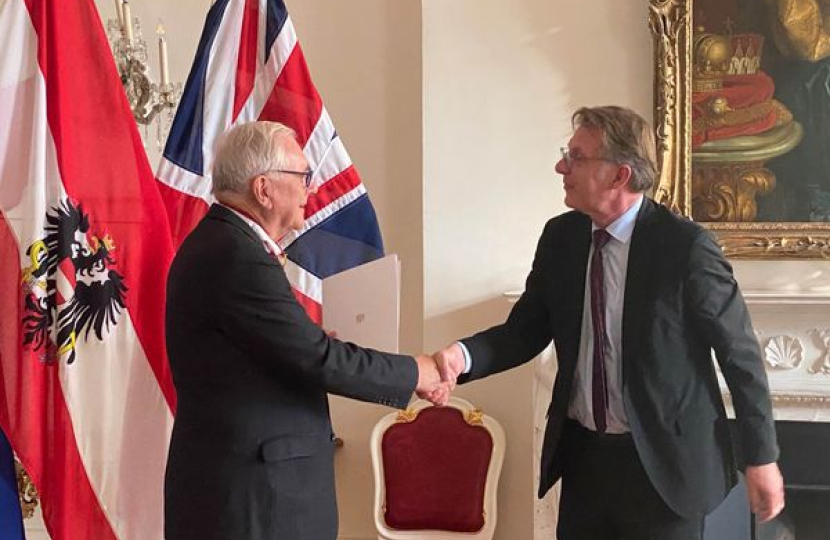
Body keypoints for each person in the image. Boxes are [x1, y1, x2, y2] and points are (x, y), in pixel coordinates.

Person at [431, 106, 785, 540]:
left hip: (665, 468)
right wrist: (459, 357)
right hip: (586, 462)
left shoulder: (685, 247)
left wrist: (761, 457)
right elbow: (522, 333)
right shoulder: (561, 238)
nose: (562, 166)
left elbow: (740, 355)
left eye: (577, 157)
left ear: (619, 175)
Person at [164, 121, 447, 540]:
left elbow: (276, 353)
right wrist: (417, 372)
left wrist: (307, 342)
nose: (310, 190)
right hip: (254, 499)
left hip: (246, 488)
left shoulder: (222, 244)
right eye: (301, 176)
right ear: (264, 189)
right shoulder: (237, 255)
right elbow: (318, 359)